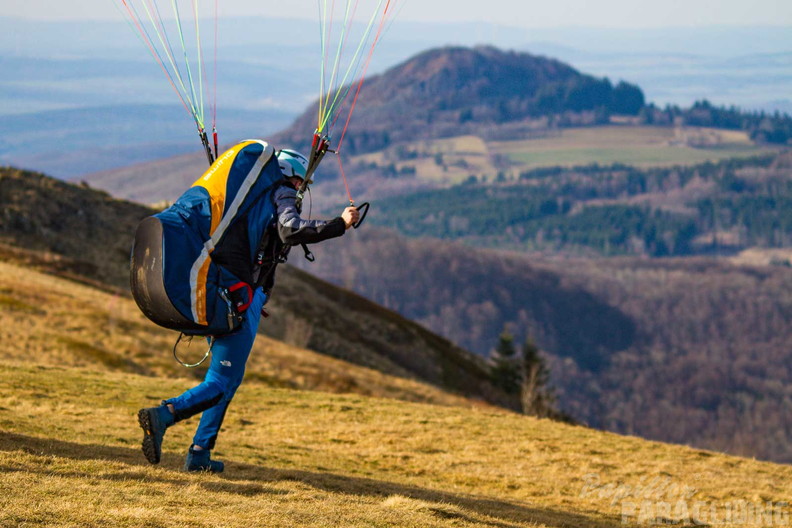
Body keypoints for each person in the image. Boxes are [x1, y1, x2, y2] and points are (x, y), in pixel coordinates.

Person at [137, 147, 359, 473]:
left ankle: (199, 453)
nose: (300, 191)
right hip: (240, 298)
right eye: (300, 184)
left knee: (229, 379)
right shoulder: (281, 193)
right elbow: (290, 229)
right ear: (293, 178)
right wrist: (339, 224)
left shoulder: (250, 198)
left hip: (220, 289)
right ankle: (164, 415)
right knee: (222, 381)